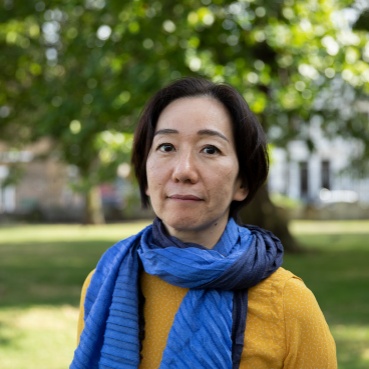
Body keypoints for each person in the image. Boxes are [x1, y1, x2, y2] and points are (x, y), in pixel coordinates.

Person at [70, 77, 337, 369]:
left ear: (243, 183)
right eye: (166, 146)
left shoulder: (289, 304)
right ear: (145, 176)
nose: (183, 171)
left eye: (210, 149)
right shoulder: (103, 283)